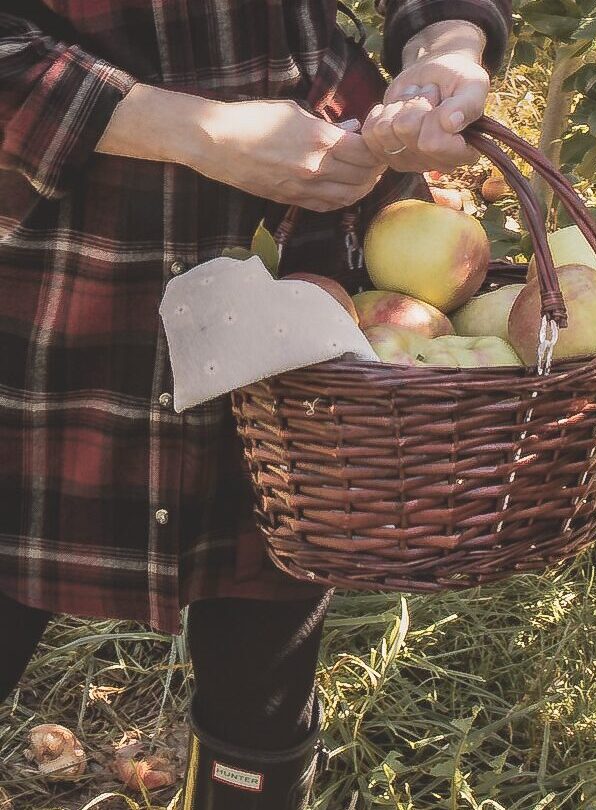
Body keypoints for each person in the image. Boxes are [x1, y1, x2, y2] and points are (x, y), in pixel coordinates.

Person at [0, 0, 510, 806]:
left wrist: (444, 44)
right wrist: (195, 131)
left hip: (301, 244)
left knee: (267, 624)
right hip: (65, 262)